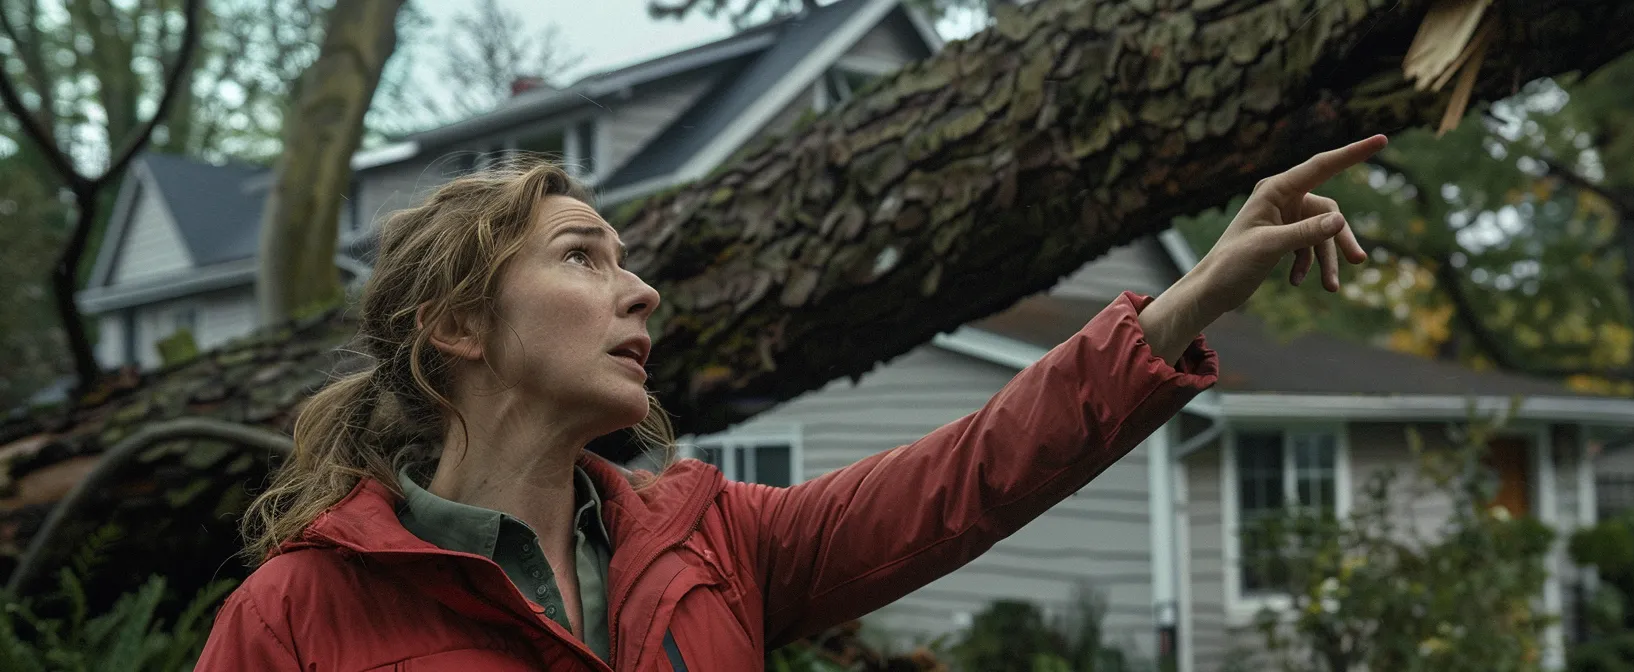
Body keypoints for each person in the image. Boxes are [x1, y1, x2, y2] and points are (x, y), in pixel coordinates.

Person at [193, 135, 1388, 671]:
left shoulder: (719, 545)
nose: (640, 289)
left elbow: (977, 469)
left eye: (626, 260)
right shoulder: (298, 617)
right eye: (583, 257)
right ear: (455, 327)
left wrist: (1187, 299)